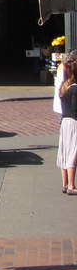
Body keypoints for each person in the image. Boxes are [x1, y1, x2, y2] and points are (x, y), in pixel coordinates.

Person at [56, 57, 77, 194]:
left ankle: (65, 183)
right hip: (73, 122)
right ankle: (71, 186)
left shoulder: (64, 86)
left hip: (65, 121)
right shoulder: (74, 88)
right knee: (73, 152)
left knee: (64, 151)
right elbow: (75, 109)